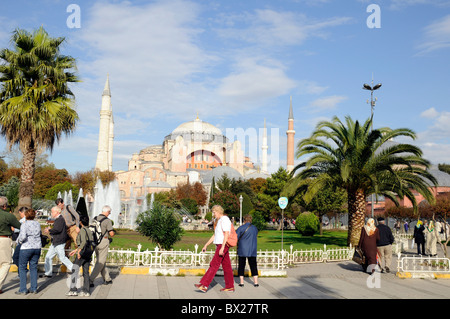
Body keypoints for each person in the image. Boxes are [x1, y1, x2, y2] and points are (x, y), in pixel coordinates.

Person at [194, 205, 234, 293]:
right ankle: (230, 286)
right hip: (220, 245)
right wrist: (206, 245)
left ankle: (204, 285)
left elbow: (227, 234)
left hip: (222, 245)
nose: (213, 214)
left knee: (214, 264)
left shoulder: (225, 220)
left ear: (219, 211)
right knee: (227, 266)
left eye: (214, 212)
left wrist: (222, 247)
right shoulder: (218, 221)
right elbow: (215, 235)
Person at [41, 206, 73, 278]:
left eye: (52, 212)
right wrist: (50, 229)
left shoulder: (59, 219)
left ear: (57, 212)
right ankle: (48, 273)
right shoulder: (59, 219)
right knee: (48, 257)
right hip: (56, 242)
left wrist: (49, 230)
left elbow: (57, 230)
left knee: (62, 257)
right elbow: (57, 229)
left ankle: (73, 269)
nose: (51, 213)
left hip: (59, 242)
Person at [16, 209, 42, 295]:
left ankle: (23, 289)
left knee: (22, 267)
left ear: (26, 216)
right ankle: (34, 288)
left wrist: (19, 241)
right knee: (33, 267)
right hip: (37, 247)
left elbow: (23, 236)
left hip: (26, 247)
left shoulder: (24, 224)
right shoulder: (37, 224)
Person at [68, 215, 94, 296]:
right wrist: (75, 250)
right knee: (86, 272)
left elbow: (83, 242)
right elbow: (87, 243)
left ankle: (73, 289)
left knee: (74, 269)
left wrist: (78, 252)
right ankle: (86, 291)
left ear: (81, 222)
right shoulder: (89, 230)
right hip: (88, 253)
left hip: (82, 253)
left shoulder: (82, 230)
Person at [89, 205, 115, 287]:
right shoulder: (107, 221)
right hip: (103, 241)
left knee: (101, 261)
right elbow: (111, 233)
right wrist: (113, 233)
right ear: (107, 212)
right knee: (100, 263)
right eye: (109, 212)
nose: (109, 214)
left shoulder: (95, 218)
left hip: (95, 242)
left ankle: (107, 279)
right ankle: (90, 279)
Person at [0, 196, 21, 294]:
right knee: (5, 263)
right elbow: (20, 226)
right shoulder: (8, 216)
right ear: (4, 206)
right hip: (3, 239)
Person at [236, 214, 259, 287]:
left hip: (242, 249)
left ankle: (241, 282)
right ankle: (255, 282)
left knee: (241, 265)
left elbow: (236, 237)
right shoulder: (255, 228)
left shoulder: (241, 228)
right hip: (252, 249)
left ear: (244, 220)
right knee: (253, 265)